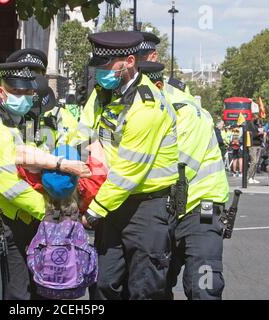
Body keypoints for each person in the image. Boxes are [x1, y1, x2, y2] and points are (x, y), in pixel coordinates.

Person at [0, 58, 91, 300]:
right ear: (1, 92)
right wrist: (56, 215)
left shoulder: (15, 127)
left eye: (28, 91)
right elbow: (13, 188)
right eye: (16, 91)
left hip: (6, 225)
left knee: (20, 293)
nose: (23, 96)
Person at [74, 31, 179, 300]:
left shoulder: (147, 106)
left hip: (145, 208)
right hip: (111, 201)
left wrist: (93, 212)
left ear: (130, 61)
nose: (100, 72)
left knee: (144, 288)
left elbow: (128, 172)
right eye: (97, 66)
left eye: (106, 66)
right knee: (103, 284)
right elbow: (81, 133)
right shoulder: (102, 95)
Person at [138, 61, 230, 299]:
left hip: (202, 207)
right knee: (155, 283)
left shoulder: (187, 111)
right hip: (169, 208)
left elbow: (178, 168)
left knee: (203, 282)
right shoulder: (153, 107)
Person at [248, 117, 263, 184]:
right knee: (253, 162)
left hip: (259, 145)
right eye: (258, 122)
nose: (259, 123)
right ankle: (249, 177)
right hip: (253, 145)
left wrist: (262, 134)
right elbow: (252, 136)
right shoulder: (251, 126)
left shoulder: (258, 126)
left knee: (256, 162)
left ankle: (253, 177)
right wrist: (259, 134)